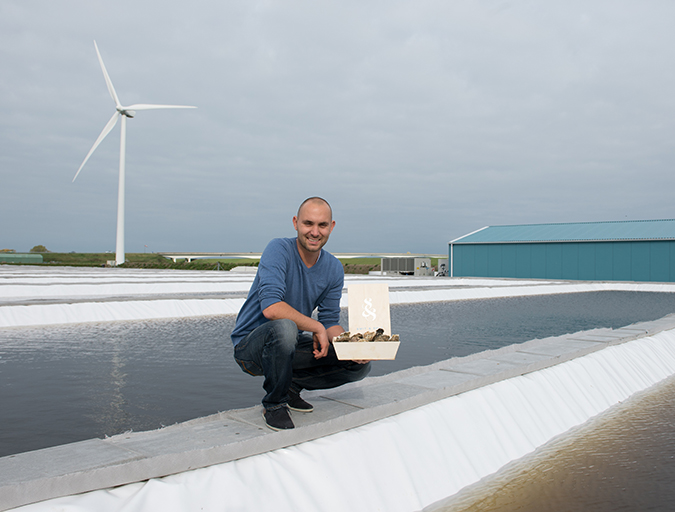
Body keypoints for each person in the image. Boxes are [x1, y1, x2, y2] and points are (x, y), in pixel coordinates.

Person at [230, 197, 371, 430]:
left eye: (322, 225)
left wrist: (353, 345)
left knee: (358, 365)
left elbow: (329, 322)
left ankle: (291, 386)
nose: (314, 232)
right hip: (251, 347)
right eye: (308, 224)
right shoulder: (278, 249)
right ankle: (274, 403)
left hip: (290, 343)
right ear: (296, 223)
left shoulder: (334, 268)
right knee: (286, 327)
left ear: (331, 227)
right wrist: (315, 328)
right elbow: (272, 308)